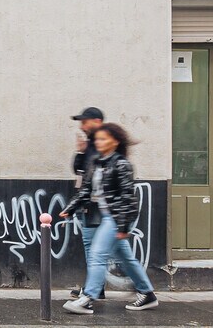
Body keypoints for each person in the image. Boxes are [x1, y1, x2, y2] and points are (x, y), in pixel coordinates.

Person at [60, 123, 158, 314]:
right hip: (106, 217)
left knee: (97, 255)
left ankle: (88, 298)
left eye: (103, 139)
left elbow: (127, 198)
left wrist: (122, 226)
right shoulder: (97, 162)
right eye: (97, 139)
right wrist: (71, 209)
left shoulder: (122, 165)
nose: (99, 142)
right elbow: (86, 191)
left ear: (115, 141)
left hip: (116, 217)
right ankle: (147, 294)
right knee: (126, 258)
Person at [67, 106, 104, 304]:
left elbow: (92, 177)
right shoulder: (90, 144)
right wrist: (80, 151)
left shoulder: (102, 142)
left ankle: (93, 290)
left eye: (85, 121)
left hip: (97, 204)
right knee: (95, 248)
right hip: (89, 202)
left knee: (93, 248)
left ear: (96, 121)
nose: (82, 125)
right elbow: (78, 171)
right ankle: (96, 288)